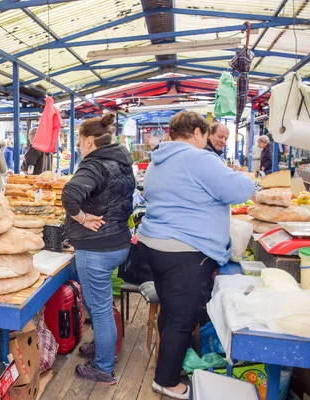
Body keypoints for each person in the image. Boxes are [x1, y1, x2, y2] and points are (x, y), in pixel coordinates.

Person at [137, 111, 255, 399]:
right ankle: (165, 380)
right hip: (184, 251)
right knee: (182, 317)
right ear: (199, 134)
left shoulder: (159, 159)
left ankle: (169, 363)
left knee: (171, 310)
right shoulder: (198, 158)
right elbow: (237, 190)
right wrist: (248, 179)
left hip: (154, 246)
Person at [62, 113, 135, 385]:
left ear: (89, 140)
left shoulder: (93, 165)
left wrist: (80, 218)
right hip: (118, 241)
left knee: (101, 309)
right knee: (99, 303)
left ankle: (104, 368)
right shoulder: (121, 161)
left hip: (97, 248)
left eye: (80, 142)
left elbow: (69, 195)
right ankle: (103, 349)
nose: (79, 147)